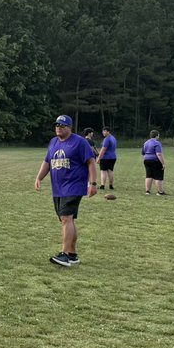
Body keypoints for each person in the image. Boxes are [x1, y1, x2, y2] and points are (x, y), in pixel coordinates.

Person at [34, 114, 97, 267]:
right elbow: (47, 161)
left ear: (70, 128)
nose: (59, 128)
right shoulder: (53, 141)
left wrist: (93, 183)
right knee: (68, 220)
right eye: (57, 125)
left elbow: (91, 162)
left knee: (66, 219)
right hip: (58, 187)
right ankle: (73, 254)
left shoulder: (79, 142)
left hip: (74, 186)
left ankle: (64, 254)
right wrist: (39, 177)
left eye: (62, 126)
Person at [141, 130, 166, 196]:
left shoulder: (145, 143)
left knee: (149, 175)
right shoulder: (157, 143)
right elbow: (159, 154)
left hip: (146, 160)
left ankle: (147, 191)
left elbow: (143, 153)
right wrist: (163, 163)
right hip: (155, 161)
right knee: (158, 176)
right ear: (157, 135)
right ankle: (160, 192)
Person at [97, 126, 118, 190]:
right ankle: (111, 185)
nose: (103, 132)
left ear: (108, 132)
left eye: (104, 131)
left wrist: (99, 158)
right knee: (110, 171)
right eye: (103, 131)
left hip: (106, 157)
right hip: (113, 157)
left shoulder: (107, 139)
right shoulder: (113, 138)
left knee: (103, 171)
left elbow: (103, 149)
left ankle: (102, 185)